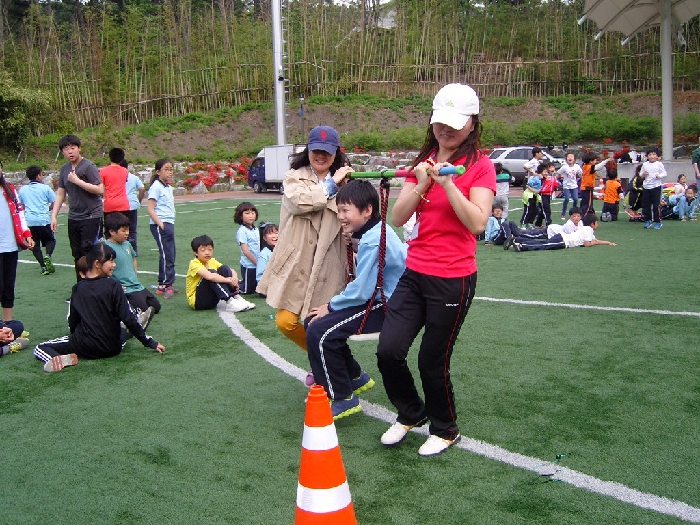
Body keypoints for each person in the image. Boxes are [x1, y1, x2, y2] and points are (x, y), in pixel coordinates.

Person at [376, 83, 496, 457]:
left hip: (453, 278)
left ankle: (445, 429)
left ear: (472, 123)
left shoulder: (480, 166)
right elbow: (397, 217)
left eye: (455, 123)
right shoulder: (424, 161)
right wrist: (422, 182)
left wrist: (449, 185)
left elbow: (477, 223)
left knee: (431, 361)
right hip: (415, 272)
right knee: (388, 350)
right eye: (441, 121)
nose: (446, 129)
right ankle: (412, 412)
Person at [304, 180, 406, 419]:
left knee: (319, 330)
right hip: (378, 299)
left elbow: (362, 290)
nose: (340, 216)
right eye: (339, 210)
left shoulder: (373, 239)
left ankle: (343, 397)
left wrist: (330, 306)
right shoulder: (375, 231)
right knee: (312, 322)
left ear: (367, 210)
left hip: (388, 307)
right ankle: (354, 376)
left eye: (345, 210)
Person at [256, 125, 351, 359]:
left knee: (319, 324)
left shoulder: (348, 183)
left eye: (327, 151)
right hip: (297, 260)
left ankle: (332, 368)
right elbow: (300, 202)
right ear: (307, 150)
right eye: (316, 150)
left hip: (329, 262)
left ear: (336, 152)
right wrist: (332, 183)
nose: (321, 156)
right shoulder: (293, 177)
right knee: (285, 321)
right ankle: (325, 361)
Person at [33, 243, 165, 373]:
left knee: (40, 348)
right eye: (111, 261)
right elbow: (127, 317)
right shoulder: (114, 285)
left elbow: (73, 320)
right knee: (122, 330)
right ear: (97, 264)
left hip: (85, 347)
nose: (114, 265)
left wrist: (74, 338)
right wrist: (150, 343)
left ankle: (56, 358)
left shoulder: (78, 288)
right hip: (113, 348)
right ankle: (136, 327)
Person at [50, 134, 104, 281]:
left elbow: (100, 190)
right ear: (62, 152)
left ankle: (94, 283)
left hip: (91, 215)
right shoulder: (64, 169)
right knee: (77, 253)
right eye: (66, 149)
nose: (70, 151)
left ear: (79, 148)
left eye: (73, 148)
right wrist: (53, 216)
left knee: (89, 250)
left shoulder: (88, 166)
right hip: (74, 216)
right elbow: (60, 193)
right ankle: (81, 285)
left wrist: (78, 181)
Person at [104, 213, 161, 325]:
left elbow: (133, 259)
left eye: (128, 230)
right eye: (123, 231)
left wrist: (134, 275)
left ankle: (128, 305)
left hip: (136, 285)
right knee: (144, 311)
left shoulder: (127, 244)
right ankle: (122, 306)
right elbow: (103, 270)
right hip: (126, 289)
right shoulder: (106, 248)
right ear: (112, 232)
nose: (127, 233)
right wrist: (115, 285)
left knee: (156, 306)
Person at [0, 165, 33, 344]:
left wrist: (26, 234)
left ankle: (8, 325)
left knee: (8, 286)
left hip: (10, 246)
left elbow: (20, 215)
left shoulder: (10, 190)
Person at [186, 235, 254, 312]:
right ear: (195, 252)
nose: (207, 253)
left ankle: (237, 297)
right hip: (198, 302)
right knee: (212, 274)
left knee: (224, 268)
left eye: (210, 250)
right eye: (203, 250)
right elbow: (210, 276)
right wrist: (228, 280)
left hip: (213, 301)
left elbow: (231, 270)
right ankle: (230, 302)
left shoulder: (211, 261)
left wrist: (234, 278)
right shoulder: (194, 263)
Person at [18, 165, 56, 275]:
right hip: (43, 219)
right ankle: (47, 255)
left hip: (29, 221)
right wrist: (49, 209)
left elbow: (21, 205)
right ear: (38, 176)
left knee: (34, 243)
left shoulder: (23, 190)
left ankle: (43, 266)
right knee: (50, 240)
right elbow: (54, 201)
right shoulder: (45, 188)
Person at [147, 159, 178, 298]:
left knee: (170, 253)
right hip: (161, 224)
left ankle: (163, 283)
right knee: (167, 254)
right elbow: (150, 209)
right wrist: (160, 224)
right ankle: (166, 284)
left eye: (171, 169)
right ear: (158, 171)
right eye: (166, 169)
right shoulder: (156, 187)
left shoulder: (167, 187)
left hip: (168, 223)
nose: (169, 172)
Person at [510, 213, 616, 252]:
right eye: (596, 223)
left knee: (542, 242)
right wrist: (594, 243)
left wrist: (607, 243)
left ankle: (517, 240)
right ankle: (521, 246)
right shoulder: (588, 229)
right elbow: (587, 243)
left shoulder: (586, 229)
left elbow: (595, 240)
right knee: (543, 245)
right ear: (592, 224)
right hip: (563, 240)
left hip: (561, 238)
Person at [100, 148, 130, 233]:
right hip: (123, 204)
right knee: (123, 230)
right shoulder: (125, 171)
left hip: (109, 204)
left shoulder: (103, 171)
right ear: (122, 159)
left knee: (109, 231)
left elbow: (101, 188)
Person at [234, 201, 260, 294]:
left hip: (258, 263)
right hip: (249, 265)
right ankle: (234, 284)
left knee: (257, 287)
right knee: (247, 290)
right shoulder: (242, 231)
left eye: (253, 213)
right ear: (240, 216)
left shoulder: (256, 229)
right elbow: (245, 251)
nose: (251, 216)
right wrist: (256, 262)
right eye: (247, 213)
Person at [640, 146, 667, 229]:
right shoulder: (645, 164)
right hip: (646, 187)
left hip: (656, 187)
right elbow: (640, 174)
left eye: (653, 154)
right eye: (650, 155)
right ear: (647, 156)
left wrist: (659, 176)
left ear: (657, 156)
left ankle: (658, 221)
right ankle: (647, 220)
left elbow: (664, 173)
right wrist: (643, 174)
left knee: (656, 205)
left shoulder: (659, 164)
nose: (652, 156)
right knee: (646, 205)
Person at [123, 160, 146, 255]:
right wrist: (139, 200)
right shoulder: (133, 177)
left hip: (121, 204)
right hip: (132, 204)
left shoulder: (117, 177)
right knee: (132, 229)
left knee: (121, 227)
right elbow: (142, 188)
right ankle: (133, 250)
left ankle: (123, 249)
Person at [579, 152, 611, 216]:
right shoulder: (590, 167)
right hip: (587, 187)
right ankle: (585, 216)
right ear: (591, 161)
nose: (596, 161)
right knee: (588, 204)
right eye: (595, 160)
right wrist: (606, 161)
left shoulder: (584, 166)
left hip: (584, 187)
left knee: (585, 202)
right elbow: (598, 167)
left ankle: (590, 214)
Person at [558, 152, 581, 219]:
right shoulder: (564, 167)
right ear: (566, 159)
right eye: (568, 157)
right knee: (567, 199)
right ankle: (563, 213)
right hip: (566, 186)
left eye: (571, 156)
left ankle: (573, 212)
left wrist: (582, 177)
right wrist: (560, 177)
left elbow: (580, 174)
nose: (570, 158)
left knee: (575, 199)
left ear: (574, 159)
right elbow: (558, 174)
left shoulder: (577, 166)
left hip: (574, 185)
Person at [535, 162, 557, 226]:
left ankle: (538, 224)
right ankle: (548, 224)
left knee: (543, 210)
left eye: (553, 167)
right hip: (542, 195)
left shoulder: (552, 176)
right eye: (550, 168)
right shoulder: (542, 177)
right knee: (546, 210)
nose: (552, 169)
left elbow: (555, 184)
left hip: (548, 195)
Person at [522, 163, 544, 227]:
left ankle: (530, 223)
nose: (546, 173)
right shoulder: (535, 177)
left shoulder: (542, 178)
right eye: (545, 171)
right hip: (529, 195)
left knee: (536, 210)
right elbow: (527, 185)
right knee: (528, 210)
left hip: (536, 195)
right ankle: (523, 224)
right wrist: (534, 190)